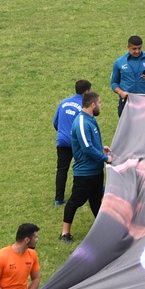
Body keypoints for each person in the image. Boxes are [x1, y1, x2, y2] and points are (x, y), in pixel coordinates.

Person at [60, 90, 109, 243]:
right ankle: (64, 234)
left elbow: (90, 144)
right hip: (85, 172)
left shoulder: (90, 119)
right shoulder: (81, 122)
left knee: (96, 200)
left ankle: (102, 229)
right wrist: (106, 158)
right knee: (75, 201)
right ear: (92, 104)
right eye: (99, 103)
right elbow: (87, 148)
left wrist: (101, 149)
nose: (101, 105)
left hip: (95, 170)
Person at [52, 79, 92, 207]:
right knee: (82, 166)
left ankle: (58, 199)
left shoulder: (63, 103)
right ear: (86, 91)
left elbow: (55, 122)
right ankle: (83, 193)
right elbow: (83, 125)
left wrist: (62, 132)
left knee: (62, 170)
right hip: (76, 142)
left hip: (62, 141)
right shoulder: (83, 106)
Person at [109, 35, 145, 118]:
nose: (137, 51)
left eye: (139, 48)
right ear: (128, 47)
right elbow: (114, 83)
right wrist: (121, 93)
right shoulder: (119, 62)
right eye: (134, 49)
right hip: (127, 101)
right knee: (127, 129)